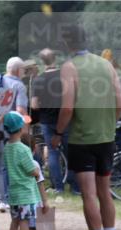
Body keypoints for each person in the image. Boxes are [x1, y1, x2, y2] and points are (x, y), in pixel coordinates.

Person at [54, 25, 121, 230]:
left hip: (82, 139)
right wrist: (107, 124)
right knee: (105, 193)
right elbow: (120, 104)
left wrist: (58, 132)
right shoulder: (106, 65)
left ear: (67, 43)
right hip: (106, 138)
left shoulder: (69, 67)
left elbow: (67, 107)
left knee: (89, 195)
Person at [31, 49, 76, 194]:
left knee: (52, 153)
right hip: (66, 119)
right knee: (71, 152)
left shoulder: (38, 80)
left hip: (47, 120)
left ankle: (58, 187)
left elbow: (34, 105)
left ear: (42, 61)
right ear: (55, 59)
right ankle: (75, 186)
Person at [3, 112, 48, 230]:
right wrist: (36, 171)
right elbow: (31, 170)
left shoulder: (6, 147)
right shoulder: (23, 149)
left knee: (14, 221)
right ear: (20, 127)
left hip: (14, 192)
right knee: (24, 222)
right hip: (26, 193)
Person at [0, 57, 29, 212]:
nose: (24, 73)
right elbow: (20, 110)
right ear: (18, 70)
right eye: (23, 70)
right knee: (1, 167)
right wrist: (25, 129)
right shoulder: (18, 85)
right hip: (5, 131)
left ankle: (2, 200)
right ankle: (5, 199)